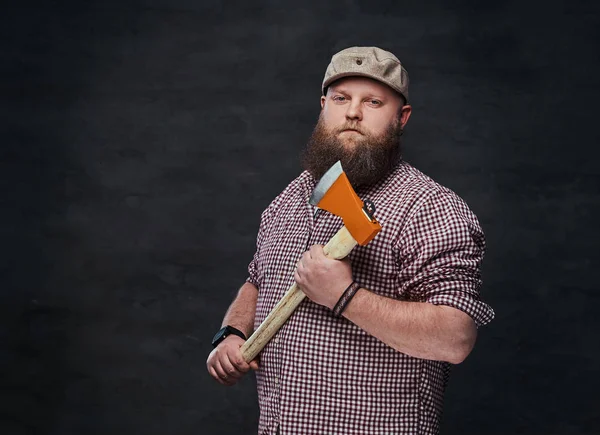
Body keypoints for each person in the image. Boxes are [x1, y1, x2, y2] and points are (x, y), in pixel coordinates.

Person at [206, 46, 495, 435]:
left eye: (373, 102)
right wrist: (232, 333)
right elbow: (258, 281)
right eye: (341, 98)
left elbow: (455, 337)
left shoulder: (430, 209)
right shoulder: (290, 199)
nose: (353, 112)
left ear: (401, 117)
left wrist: (345, 295)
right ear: (324, 105)